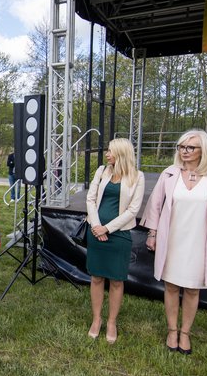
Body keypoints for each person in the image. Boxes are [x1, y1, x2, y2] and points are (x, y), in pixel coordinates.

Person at [140, 129, 207, 355]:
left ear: (203, 149)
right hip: (172, 239)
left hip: (200, 243)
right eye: (182, 147)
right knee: (171, 286)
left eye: (190, 147)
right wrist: (152, 234)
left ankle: (185, 333)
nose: (184, 151)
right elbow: (154, 205)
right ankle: (172, 330)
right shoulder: (170, 173)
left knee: (193, 289)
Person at [85, 138, 145, 344]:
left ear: (121, 153)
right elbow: (90, 199)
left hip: (119, 234)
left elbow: (133, 210)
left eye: (110, 151)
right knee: (96, 278)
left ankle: (111, 322)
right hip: (95, 231)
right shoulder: (102, 171)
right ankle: (96, 319)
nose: (107, 154)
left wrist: (108, 228)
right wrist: (96, 226)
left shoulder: (137, 176)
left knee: (117, 281)